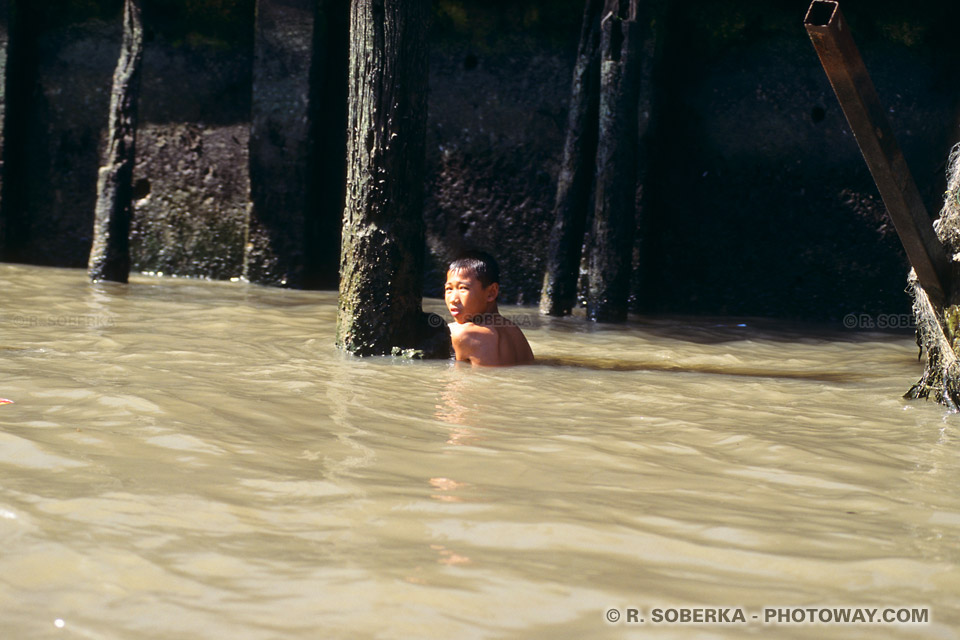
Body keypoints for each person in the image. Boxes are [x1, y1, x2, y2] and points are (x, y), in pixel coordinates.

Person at [444, 251, 534, 366]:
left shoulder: (464, 335)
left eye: (463, 288)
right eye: (449, 289)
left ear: (491, 292)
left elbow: (455, 382)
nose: (453, 299)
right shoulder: (514, 331)